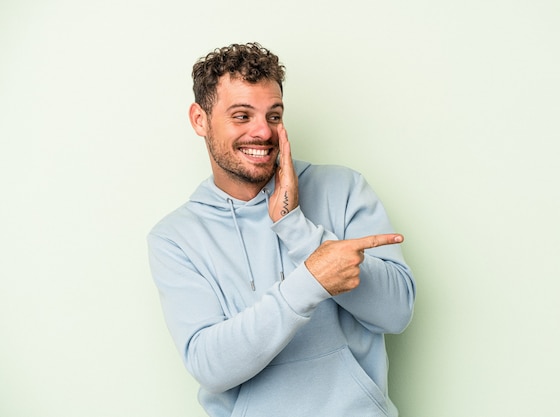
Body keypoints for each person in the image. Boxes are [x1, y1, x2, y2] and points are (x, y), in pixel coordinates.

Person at [147, 42, 415, 417]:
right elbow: (210, 366)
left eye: (274, 116)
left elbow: (396, 313)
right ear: (200, 119)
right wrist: (311, 280)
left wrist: (296, 229)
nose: (263, 131)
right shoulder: (176, 237)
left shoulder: (343, 189)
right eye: (242, 116)